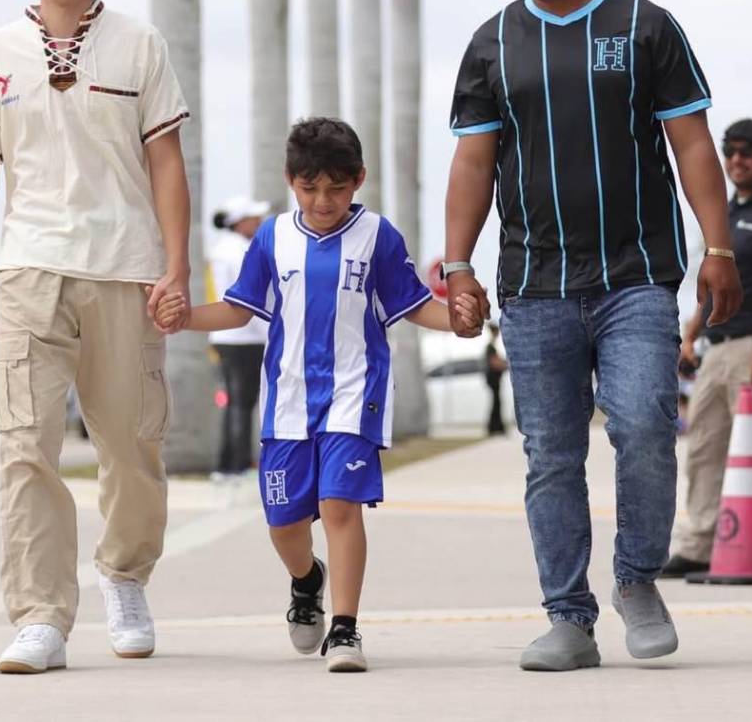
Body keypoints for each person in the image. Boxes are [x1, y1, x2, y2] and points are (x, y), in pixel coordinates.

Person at [442, 0, 742, 672]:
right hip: (535, 285)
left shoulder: (645, 27)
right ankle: (568, 618)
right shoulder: (491, 45)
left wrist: (720, 248)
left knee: (644, 422)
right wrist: (457, 265)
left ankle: (637, 579)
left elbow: (692, 146)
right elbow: (474, 163)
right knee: (551, 454)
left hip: (636, 275)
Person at [0, 0, 192, 674]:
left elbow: (166, 162)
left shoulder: (138, 44)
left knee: (131, 445)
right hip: (28, 270)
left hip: (125, 267)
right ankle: (40, 615)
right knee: (26, 448)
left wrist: (176, 266)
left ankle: (125, 577)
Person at [156, 118, 480, 673]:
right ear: (290, 181)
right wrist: (185, 317)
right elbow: (240, 307)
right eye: (309, 189)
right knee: (283, 522)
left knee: (339, 505)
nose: (323, 200)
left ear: (358, 180)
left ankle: (346, 629)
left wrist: (458, 320)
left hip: (356, 392)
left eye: (335, 187)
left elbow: (412, 303)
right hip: (286, 400)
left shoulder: (379, 237)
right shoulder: (271, 238)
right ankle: (307, 581)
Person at [663, 119, 752, 577]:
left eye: (748, 152)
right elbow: (713, 282)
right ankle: (700, 542)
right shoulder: (724, 213)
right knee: (705, 445)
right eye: (730, 152)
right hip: (717, 348)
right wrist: (691, 331)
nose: (737, 161)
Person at [208, 196, 270, 479]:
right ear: (239, 222)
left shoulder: (223, 250)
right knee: (242, 403)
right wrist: (270, 333)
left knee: (235, 402)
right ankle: (238, 465)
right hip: (244, 337)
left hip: (226, 336)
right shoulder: (240, 252)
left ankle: (227, 464)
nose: (258, 222)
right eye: (253, 218)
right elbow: (251, 300)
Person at [484, 321, 508, 436]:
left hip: (494, 379)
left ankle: (496, 426)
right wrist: (508, 365)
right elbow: (494, 363)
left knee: (496, 402)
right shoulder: (490, 347)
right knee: (496, 402)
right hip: (493, 378)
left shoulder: (491, 347)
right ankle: (494, 427)